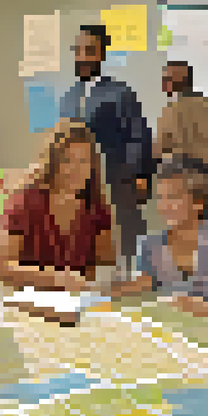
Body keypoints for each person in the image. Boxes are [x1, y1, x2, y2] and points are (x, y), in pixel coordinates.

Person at [60, 24, 156, 270]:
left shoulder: (119, 93)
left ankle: (129, 278)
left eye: (89, 50)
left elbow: (138, 136)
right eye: (78, 50)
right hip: (78, 182)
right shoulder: (69, 96)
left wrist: (140, 176)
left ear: (101, 54)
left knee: (123, 233)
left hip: (115, 178)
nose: (82, 56)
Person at [110, 158, 208, 318]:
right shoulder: (150, 245)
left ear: (198, 202)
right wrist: (93, 290)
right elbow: (141, 285)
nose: (164, 205)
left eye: (173, 197)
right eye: (160, 197)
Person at [0, 120, 115, 293]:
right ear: (53, 162)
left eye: (83, 161)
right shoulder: (25, 201)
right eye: (68, 160)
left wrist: (87, 285)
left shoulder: (97, 207)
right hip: (31, 302)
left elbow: (104, 265)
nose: (76, 169)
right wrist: (55, 278)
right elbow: (3, 268)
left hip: (78, 303)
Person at [156, 60, 208, 175]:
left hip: (182, 176)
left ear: (178, 80)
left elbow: (162, 146)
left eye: (167, 78)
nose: (164, 82)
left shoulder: (173, 109)